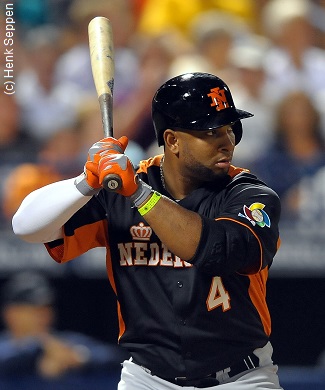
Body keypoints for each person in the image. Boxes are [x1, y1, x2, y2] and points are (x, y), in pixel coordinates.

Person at [12, 72, 283, 389]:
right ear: (172, 140)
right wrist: (88, 180)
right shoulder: (125, 189)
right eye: (210, 131)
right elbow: (27, 227)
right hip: (147, 378)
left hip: (240, 377)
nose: (226, 141)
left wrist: (138, 195)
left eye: (229, 128)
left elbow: (216, 250)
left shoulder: (250, 195)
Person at [0, 271, 128, 379]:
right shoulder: (5, 347)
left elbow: (114, 357)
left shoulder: (65, 344)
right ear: (11, 313)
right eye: (33, 309)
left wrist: (78, 357)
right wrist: (39, 349)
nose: (42, 315)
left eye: (46, 308)